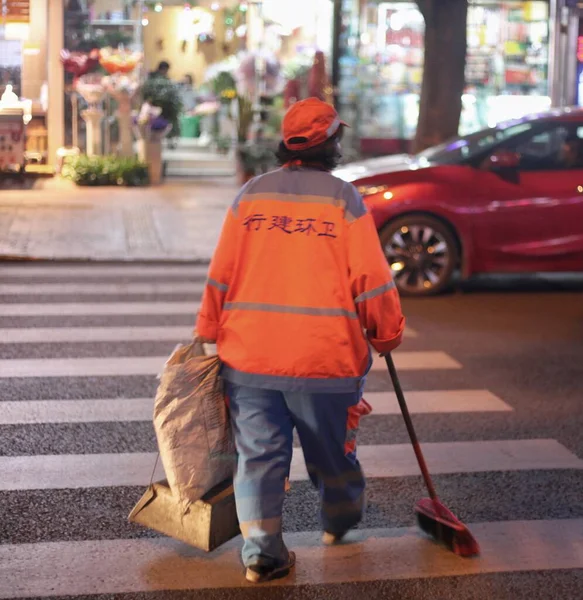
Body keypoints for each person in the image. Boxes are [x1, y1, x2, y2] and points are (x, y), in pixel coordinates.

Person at [195, 97, 405, 584]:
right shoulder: (343, 199)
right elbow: (372, 280)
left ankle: (263, 555)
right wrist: (387, 332)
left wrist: (207, 330)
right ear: (332, 144)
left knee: (260, 457)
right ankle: (340, 521)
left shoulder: (251, 196)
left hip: (249, 359)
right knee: (331, 453)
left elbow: (221, 274)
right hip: (324, 359)